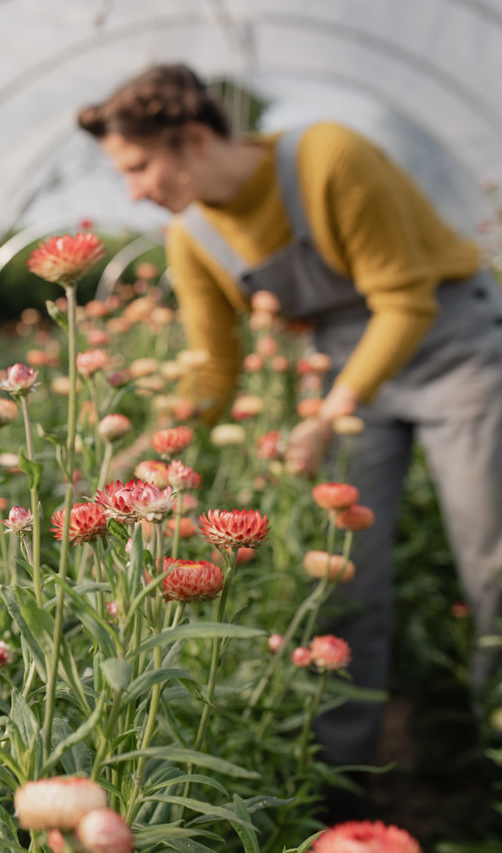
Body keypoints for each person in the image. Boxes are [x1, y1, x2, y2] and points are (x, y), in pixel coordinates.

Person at [76, 64, 502, 771]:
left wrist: (330, 414)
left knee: (491, 560)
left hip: (450, 352)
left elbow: (404, 300)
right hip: (339, 374)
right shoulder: (194, 237)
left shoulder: (327, 158)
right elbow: (214, 367)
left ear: (191, 139)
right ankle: (340, 776)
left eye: (141, 165)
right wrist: (131, 458)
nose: (136, 190)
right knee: (340, 575)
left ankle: (491, 753)